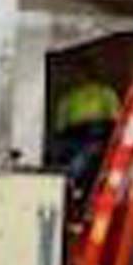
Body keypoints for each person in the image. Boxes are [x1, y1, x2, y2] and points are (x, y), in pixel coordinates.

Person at [52, 74, 121, 207]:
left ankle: (77, 190)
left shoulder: (104, 93)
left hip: (93, 134)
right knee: (77, 164)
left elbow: (115, 120)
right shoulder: (70, 97)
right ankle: (75, 190)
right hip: (78, 136)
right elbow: (60, 127)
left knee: (82, 163)